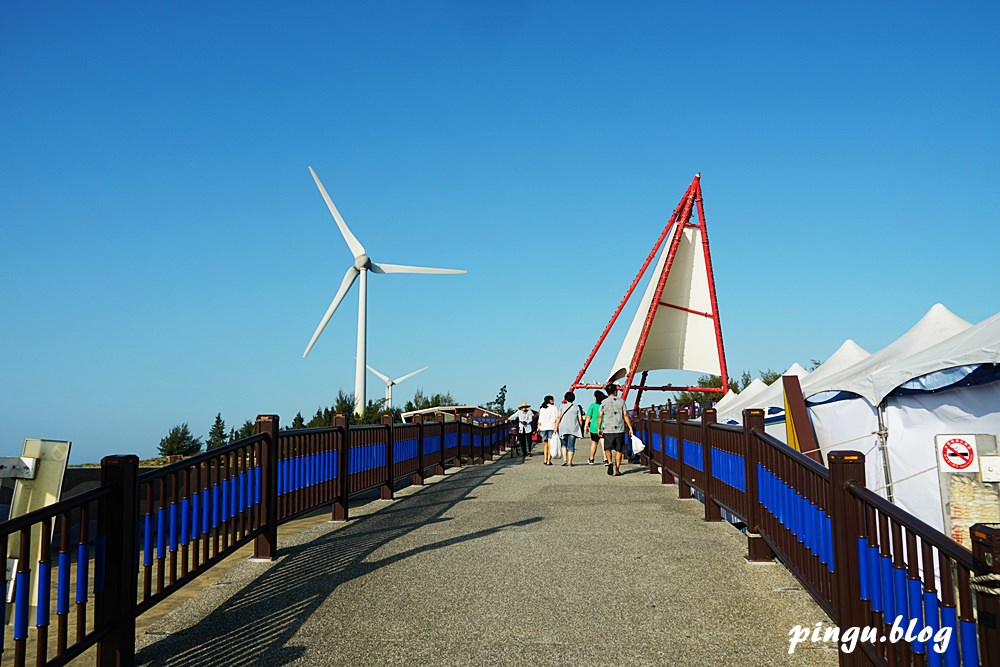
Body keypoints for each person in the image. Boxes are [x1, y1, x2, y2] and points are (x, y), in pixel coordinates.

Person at [598, 383, 633, 476]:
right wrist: (630, 427)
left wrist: (599, 427)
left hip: (607, 428)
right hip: (619, 428)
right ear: (615, 391)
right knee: (619, 450)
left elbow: (600, 416)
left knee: (607, 448)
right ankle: (617, 469)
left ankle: (609, 462)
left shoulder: (604, 402)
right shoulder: (621, 401)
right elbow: (625, 415)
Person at [554, 391, 584, 466]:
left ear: (565, 399)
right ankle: (570, 462)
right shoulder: (576, 407)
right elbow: (580, 419)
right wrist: (580, 427)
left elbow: (558, 417)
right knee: (571, 446)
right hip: (573, 429)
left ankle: (564, 460)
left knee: (563, 445)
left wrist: (556, 426)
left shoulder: (561, 406)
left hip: (563, 428)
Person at [584, 390, 606, 465]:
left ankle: (591, 458)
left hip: (594, 426)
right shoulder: (604, 405)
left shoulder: (592, 405)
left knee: (594, 443)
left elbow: (588, 417)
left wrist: (586, 426)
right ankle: (606, 459)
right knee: (603, 443)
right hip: (604, 426)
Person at [537, 395, 558, 465]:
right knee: (550, 444)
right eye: (553, 400)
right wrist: (557, 427)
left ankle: (545, 459)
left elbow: (540, 419)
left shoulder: (542, 408)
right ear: (550, 400)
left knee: (545, 444)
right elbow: (557, 418)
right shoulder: (554, 408)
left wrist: (538, 427)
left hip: (543, 427)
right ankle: (549, 460)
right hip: (551, 427)